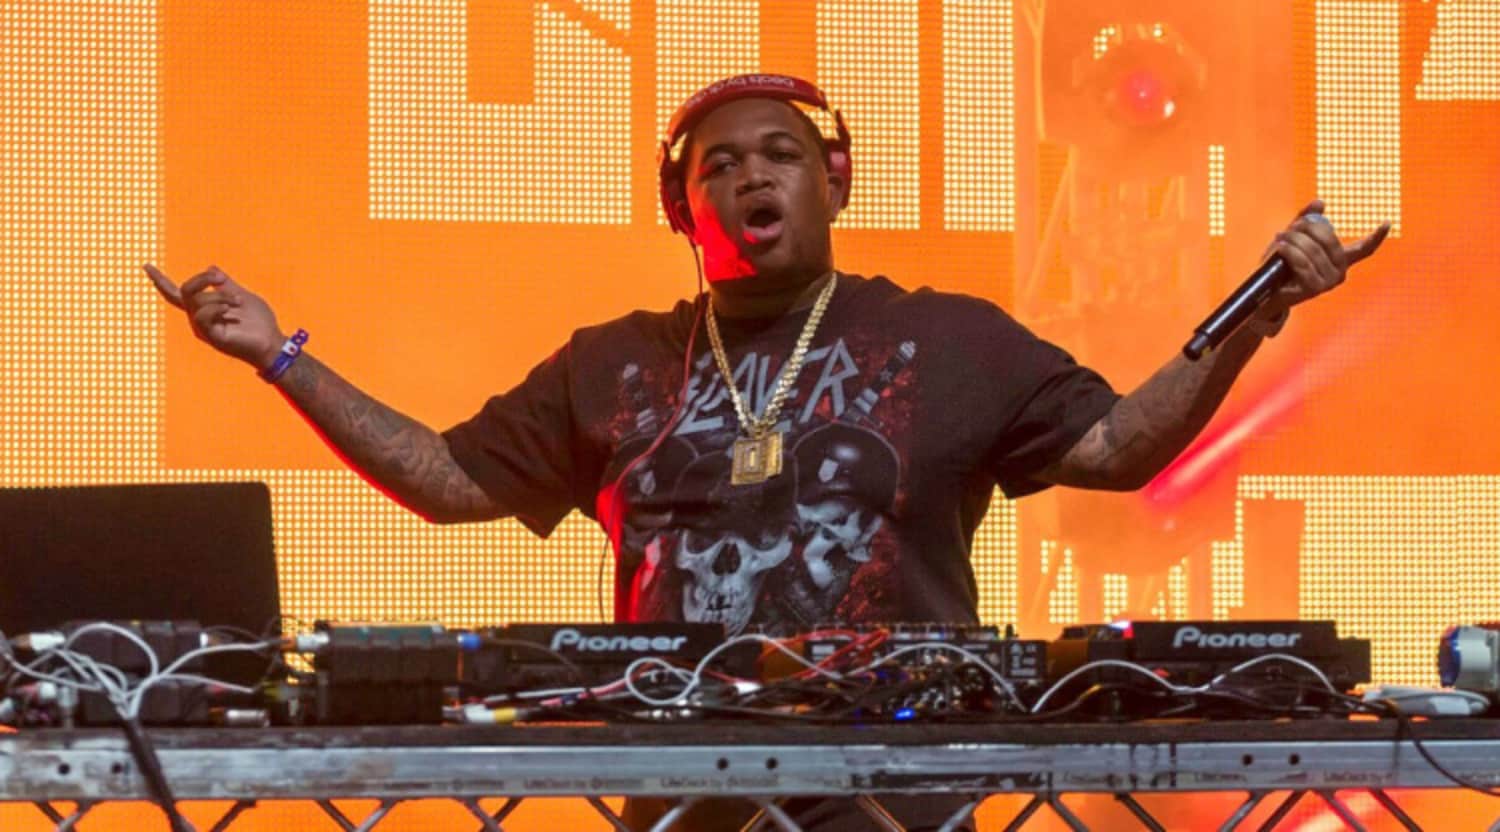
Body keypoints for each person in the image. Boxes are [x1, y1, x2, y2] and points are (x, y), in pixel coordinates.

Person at [146, 74, 1388, 832]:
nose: (752, 175)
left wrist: (1252, 317)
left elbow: (1117, 445)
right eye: (720, 164)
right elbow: (449, 480)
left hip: (898, 794)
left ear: (834, 183)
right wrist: (280, 356)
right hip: (689, 796)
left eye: (781, 154)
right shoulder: (613, 361)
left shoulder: (948, 338)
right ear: (680, 208)